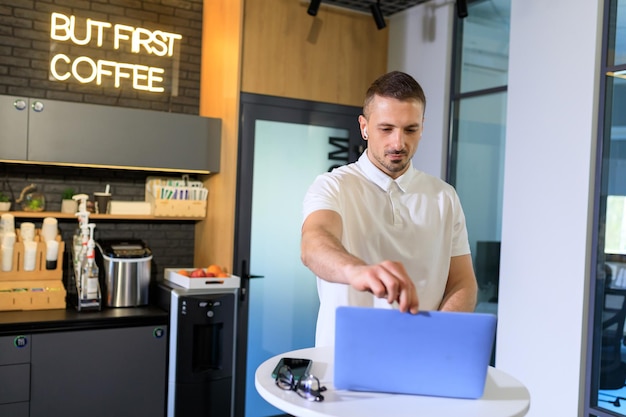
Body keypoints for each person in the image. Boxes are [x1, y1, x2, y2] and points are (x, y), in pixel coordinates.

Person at [300, 71, 478, 347]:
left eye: (410, 129)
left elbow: (463, 283)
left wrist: (438, 337)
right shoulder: (333, 186)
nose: (398, 143)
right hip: (344, 356)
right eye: (386, 129)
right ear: (364, 127)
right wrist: (357, 271)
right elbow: (314, 244)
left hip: (421, 356)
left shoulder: (444, 196)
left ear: (422, 127)